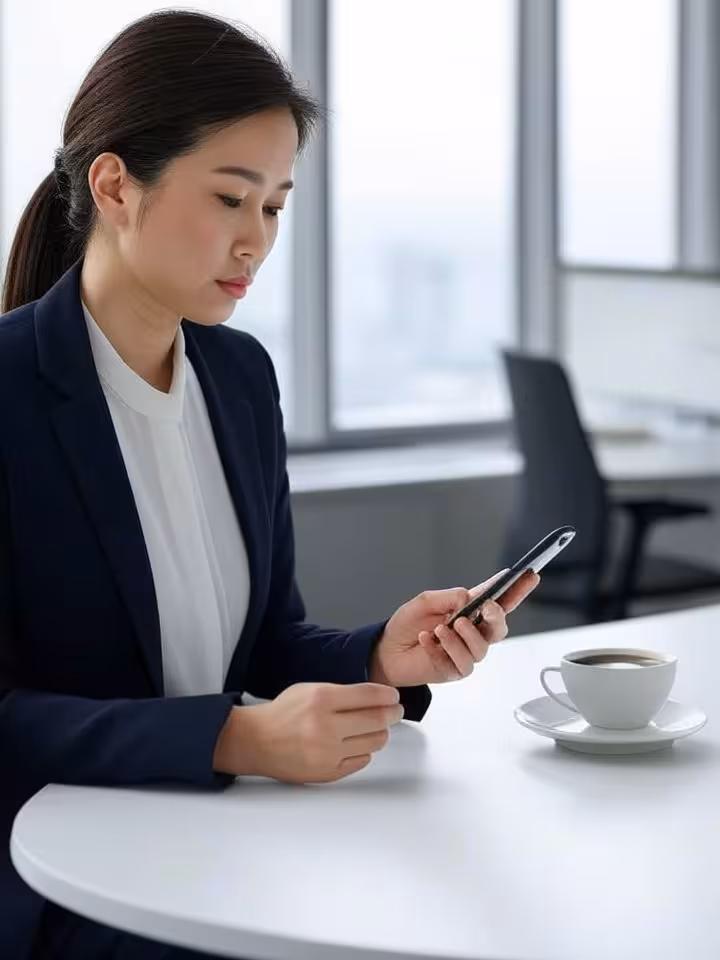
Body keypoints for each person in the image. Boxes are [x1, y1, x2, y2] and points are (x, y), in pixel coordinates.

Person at [0, 10, 539, 959]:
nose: (257, 240)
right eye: (230, 198)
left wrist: (383, 655)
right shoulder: (8, 391)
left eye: (276, 205)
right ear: (117, 185)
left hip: (226, 846)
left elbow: (270, 643)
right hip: (69, 884)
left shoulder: (240, 380)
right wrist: (234, 742)